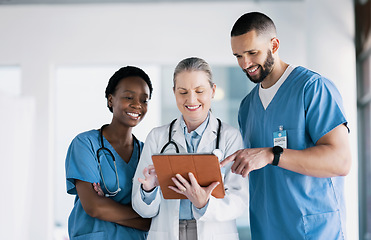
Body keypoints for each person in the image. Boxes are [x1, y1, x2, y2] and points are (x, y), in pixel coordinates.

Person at [220, 12, 352, 239]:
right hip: (266, 230)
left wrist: (273, 154)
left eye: (252, 53)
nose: (245, 64)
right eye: (238, 56)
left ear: (274, 44)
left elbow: (341, 161)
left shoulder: (312, 89)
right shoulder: (247, 107)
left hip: (314, 231)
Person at [131, 57, 249, 240]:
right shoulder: (157, 137)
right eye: (183, 92)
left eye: (199, 91)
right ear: (174, 93)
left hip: (214, 232)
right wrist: (148, 190)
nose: (191, 99)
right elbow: (143, 209)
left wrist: (204, 203)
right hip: (168, 233)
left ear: (213, 91)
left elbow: (239, 201)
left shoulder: (230, 137)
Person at [65, 66, 153, 240]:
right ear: (111, 100)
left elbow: (154, 220)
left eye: (144, 100)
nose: (137, 105)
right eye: (129, 97)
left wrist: (107, 206)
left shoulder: (146, 152)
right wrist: (140, 216)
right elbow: (94, 207)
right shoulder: (85, 143)